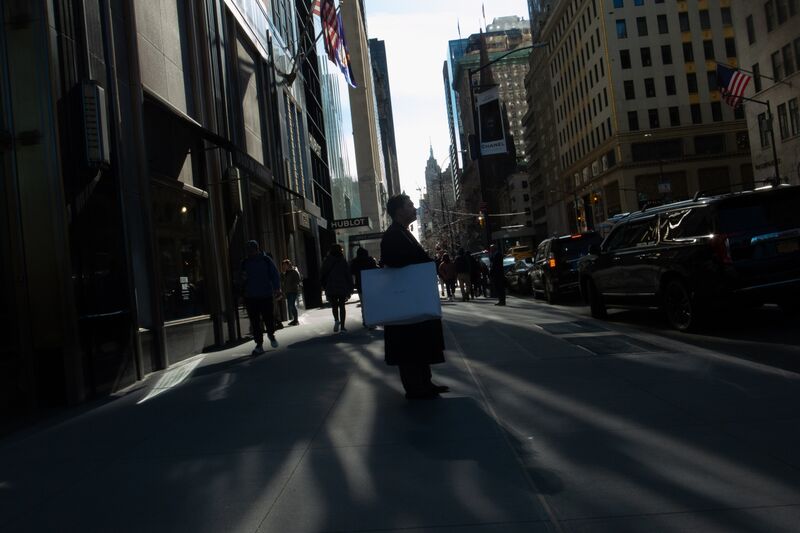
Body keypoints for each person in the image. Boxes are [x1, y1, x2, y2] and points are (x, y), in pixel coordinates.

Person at [381, 194, 449, 399]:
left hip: (412, 299)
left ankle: (424, 382)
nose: (414, 209)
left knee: (419, 341)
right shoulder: (393, 234)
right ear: (399, 210)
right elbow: (393, 262)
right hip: (405, 301)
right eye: (410, 205)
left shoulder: (402, 232)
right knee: (409, 344)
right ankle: (415, 386)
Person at [241, 240, 281, 355]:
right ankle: (259, 344)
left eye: (252, 249)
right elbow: (241, 279)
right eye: (248, 250)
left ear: (257, 249)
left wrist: (277, 289)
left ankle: (271, 334)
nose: (250, 252)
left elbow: (274, 274)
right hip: (251, 296)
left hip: (265, 295)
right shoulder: (245, 263)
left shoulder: (266, 260)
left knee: (268, 318)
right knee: (255, 322)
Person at [320, 243, 353, 332]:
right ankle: (342, 327)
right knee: (342, 306)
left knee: (334, 305)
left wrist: (324, 285)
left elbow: (323, 273)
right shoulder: (342, 260)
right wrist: (350, 287)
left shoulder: (327, 260)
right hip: (342, 286)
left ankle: (336, 320)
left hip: (331, 286)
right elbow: (348, 274)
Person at [350, 246, 379, 328]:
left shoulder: (355, 262)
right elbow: (376, 269)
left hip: (360, 285)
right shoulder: (370, 260)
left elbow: (352, 272)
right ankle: (372, 320)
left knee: (363, 304)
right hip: (370, 285)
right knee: (371, 303)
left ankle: (365, 321)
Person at [281, 259, 301, 326]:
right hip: (287, 291)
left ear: (288, 265)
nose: (284, 267)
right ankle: (295, 320)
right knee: (290, 306)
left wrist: (294, 284)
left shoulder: (294, 271)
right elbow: (283, 282)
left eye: (285, 265)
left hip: (293, 290)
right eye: (283, 265)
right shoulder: (285, 272)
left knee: (292, 305)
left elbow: (298, 280)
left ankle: (296, 320)